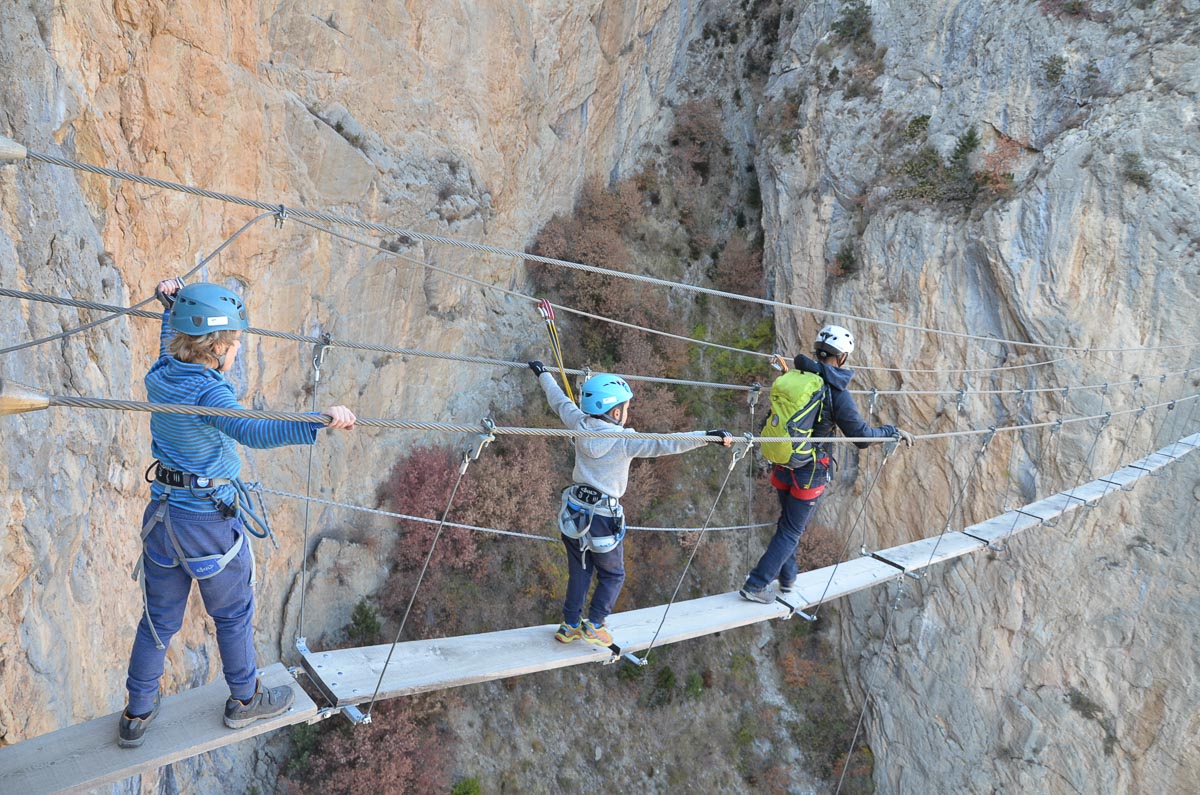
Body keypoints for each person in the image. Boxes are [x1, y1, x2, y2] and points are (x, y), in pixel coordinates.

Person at [119, 278, 357, 748]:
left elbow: (173, 346)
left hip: (163, 519)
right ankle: (245, 700)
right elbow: (255, 431)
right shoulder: (211, 395)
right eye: (235, 346)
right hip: (207, 524)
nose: (236, 354)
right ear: (220, 349)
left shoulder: (161, 373)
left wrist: (172, 307)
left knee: (157, 621)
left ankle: (136, 713)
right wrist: (322, 420)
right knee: (232, 614)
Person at [529, 362, 732, 646]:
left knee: (580, 571)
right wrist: (706, 437)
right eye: (625, 408)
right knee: (613, 574)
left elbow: (558, 400)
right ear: (615, 412)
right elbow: (664, 444)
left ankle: (570, 625)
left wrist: (542, 374)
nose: (628, 412)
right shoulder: (624, 440)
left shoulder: (578, 422)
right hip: (602, 518)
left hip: (574, 511)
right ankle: (595, 624)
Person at [739, 324, 914, 604]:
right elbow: (862, 438)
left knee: (787, 525)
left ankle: (787, 578)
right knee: (792, 530)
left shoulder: (796, 376)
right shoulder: (835, 391)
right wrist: (890, 431)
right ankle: (756, 584)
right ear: (842, 357)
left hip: (783, 461)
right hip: (809, 472)